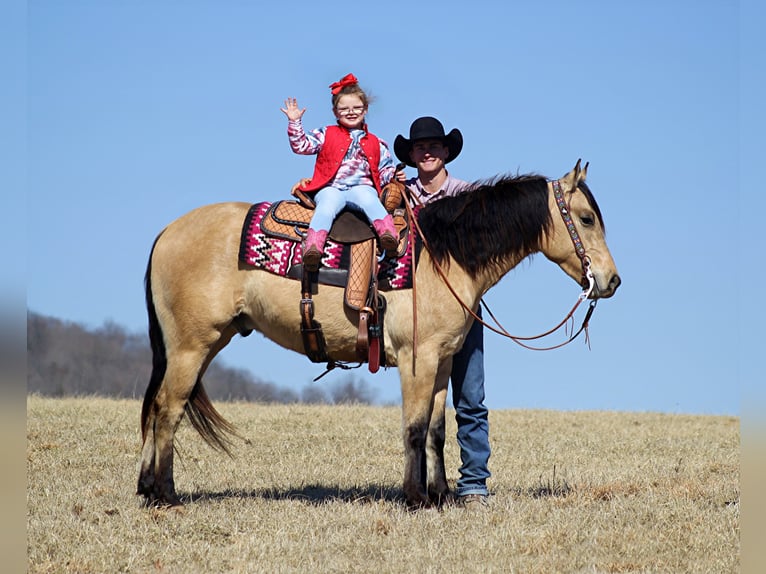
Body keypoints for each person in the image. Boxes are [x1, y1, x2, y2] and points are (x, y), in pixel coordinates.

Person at [394, 116, 491, 507]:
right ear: (412, 155)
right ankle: (432, 481)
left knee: (470, 399)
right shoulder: (401, 195)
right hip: (417, 309)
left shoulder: (467, 195)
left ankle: (474, 485)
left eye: (435, 145)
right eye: (420, 147)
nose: (428, 151)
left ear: (447, 151)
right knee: (429, 399)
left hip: (462, 309)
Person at [281, 73, 399, 271]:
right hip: (331, 186)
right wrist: (295, 123)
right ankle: (313, 247)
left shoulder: (377, 143)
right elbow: (301, 146)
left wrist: (394, 175)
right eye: (344, 109)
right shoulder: (325, 134)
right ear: (335, 112)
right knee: (326, 206)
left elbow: (384, 169)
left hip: (361, 186)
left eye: (356, 108)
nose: (351, 112)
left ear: (365, 109)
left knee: (370, 200)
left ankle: (388, 235)